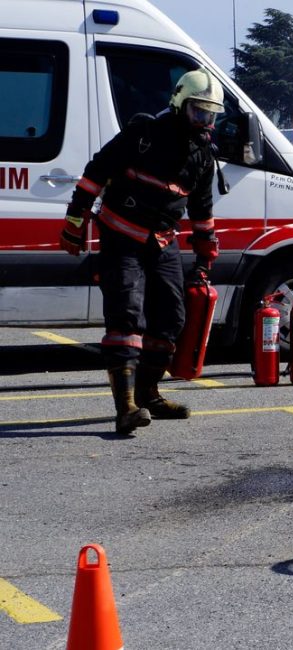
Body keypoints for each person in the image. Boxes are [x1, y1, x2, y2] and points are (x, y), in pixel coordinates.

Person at [59, 68, 222, 435]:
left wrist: (203, 261)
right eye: (199, 112)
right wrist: (75, 221)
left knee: (171, 319)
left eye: (210, 115)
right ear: (180, 104)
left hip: (163, 241)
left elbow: (203, 212)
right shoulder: (143, 133)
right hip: (121, 235)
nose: (204, 121)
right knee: (127, 317)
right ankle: (126, 408)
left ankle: (149, 394)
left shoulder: (202, 156)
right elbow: (95, 172)